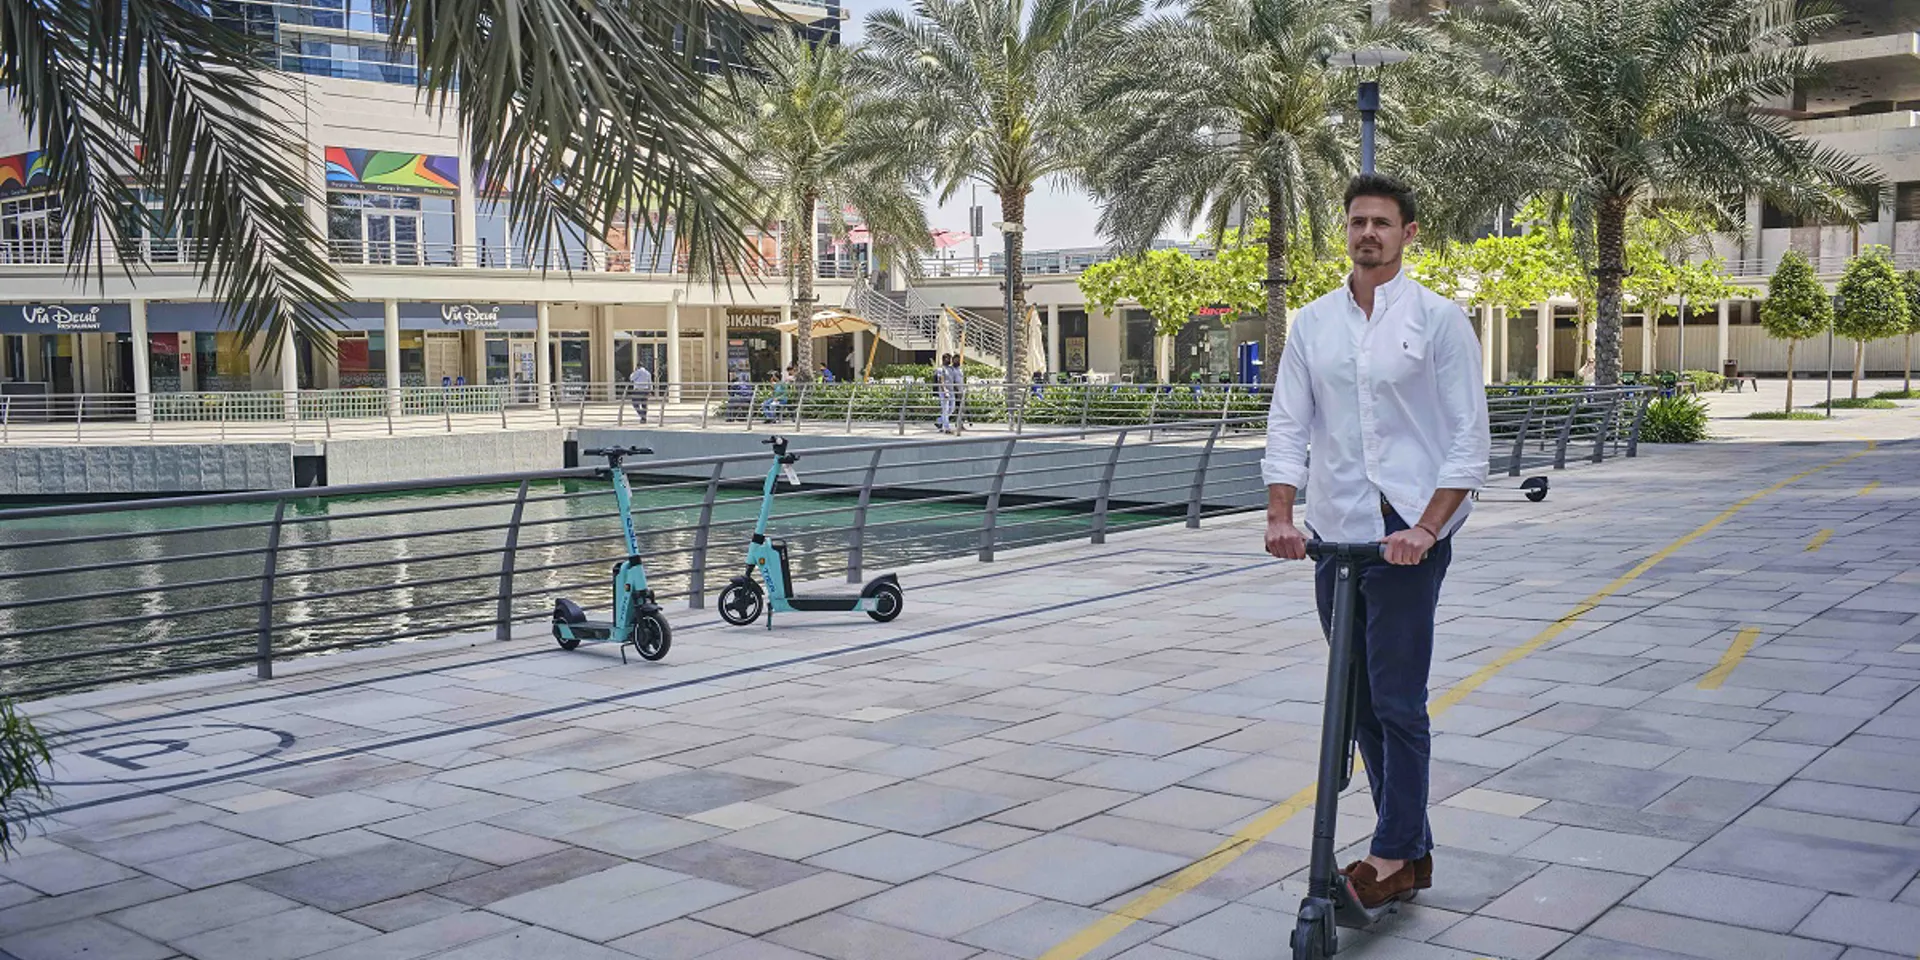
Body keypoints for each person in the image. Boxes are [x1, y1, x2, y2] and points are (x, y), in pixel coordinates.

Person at [1261, 173, 1491, 909]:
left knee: (1397, 700)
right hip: (1336, 535)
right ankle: (1411, 853)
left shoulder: (1439, 320)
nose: (1368, 233)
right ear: (1347, 231)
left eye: (1382, 223)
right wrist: (1281, 515)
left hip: (1408, 532)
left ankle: (1392, 854)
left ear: (1407, 233)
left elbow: (1469, 439)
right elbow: (1288, 425)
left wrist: (1426, 528)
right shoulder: (1313, 324)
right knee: (1354, 702)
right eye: (1358, 221)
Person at [934, 353, 955, 433]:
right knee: (945, 409)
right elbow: (941, 380)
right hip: (944, 392)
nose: (950, 360)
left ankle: (939, 420)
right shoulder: (940, 369)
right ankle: (947, 428)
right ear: (944, 359)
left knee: (952, 409)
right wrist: (945, 390)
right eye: (948, 359)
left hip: (952, 391)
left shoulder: (951, 369)